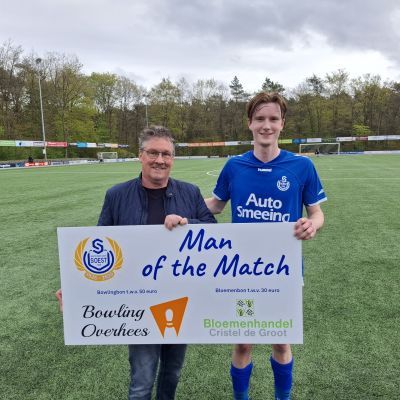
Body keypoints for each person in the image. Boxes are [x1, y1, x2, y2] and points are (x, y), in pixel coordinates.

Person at [56, 126, 216, 400]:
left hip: (180, 297)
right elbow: (98, 245)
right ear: (140, 156)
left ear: (173, 159)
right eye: (153, 153)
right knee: (142, 380)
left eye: (166, 154)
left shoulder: (190, 192)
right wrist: (75, 288)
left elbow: (214, 232)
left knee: (172, 373)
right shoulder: (117, 195)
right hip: (138, 302)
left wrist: (187, 223)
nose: (159, 160)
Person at [205, 92, 326, 400]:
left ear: (282, 124)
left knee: (281, 341)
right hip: (241, 271)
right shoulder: (234, 166)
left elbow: (316, 212)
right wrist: (180, 209)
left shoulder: (301, 166)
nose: (266, 125)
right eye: (260, 118)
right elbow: (216, 205)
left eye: (273, 119)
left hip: (283, 272)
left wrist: (312, 224)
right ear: (250, 123)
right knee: (243, 343)